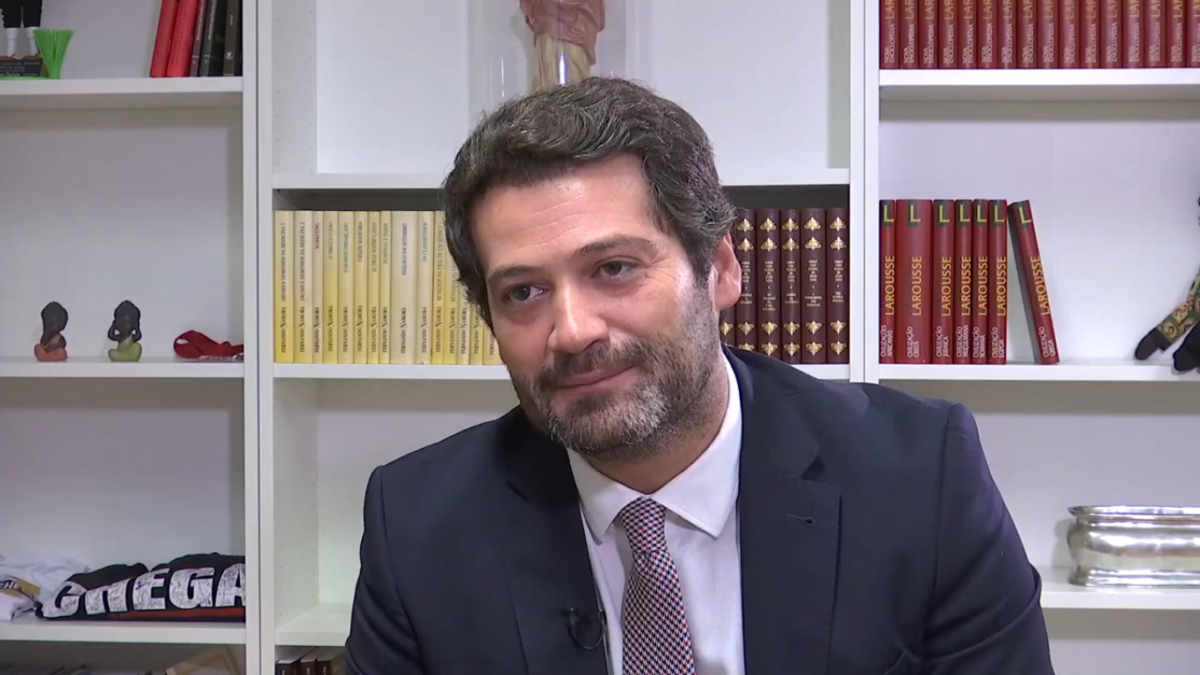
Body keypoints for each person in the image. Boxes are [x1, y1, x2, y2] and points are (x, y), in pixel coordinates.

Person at [344, 76, 1056, 675]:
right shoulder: (416, 528)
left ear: (718, 269)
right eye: (523, 291)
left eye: (614, 268)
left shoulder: (920, 477)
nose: (572, 330)